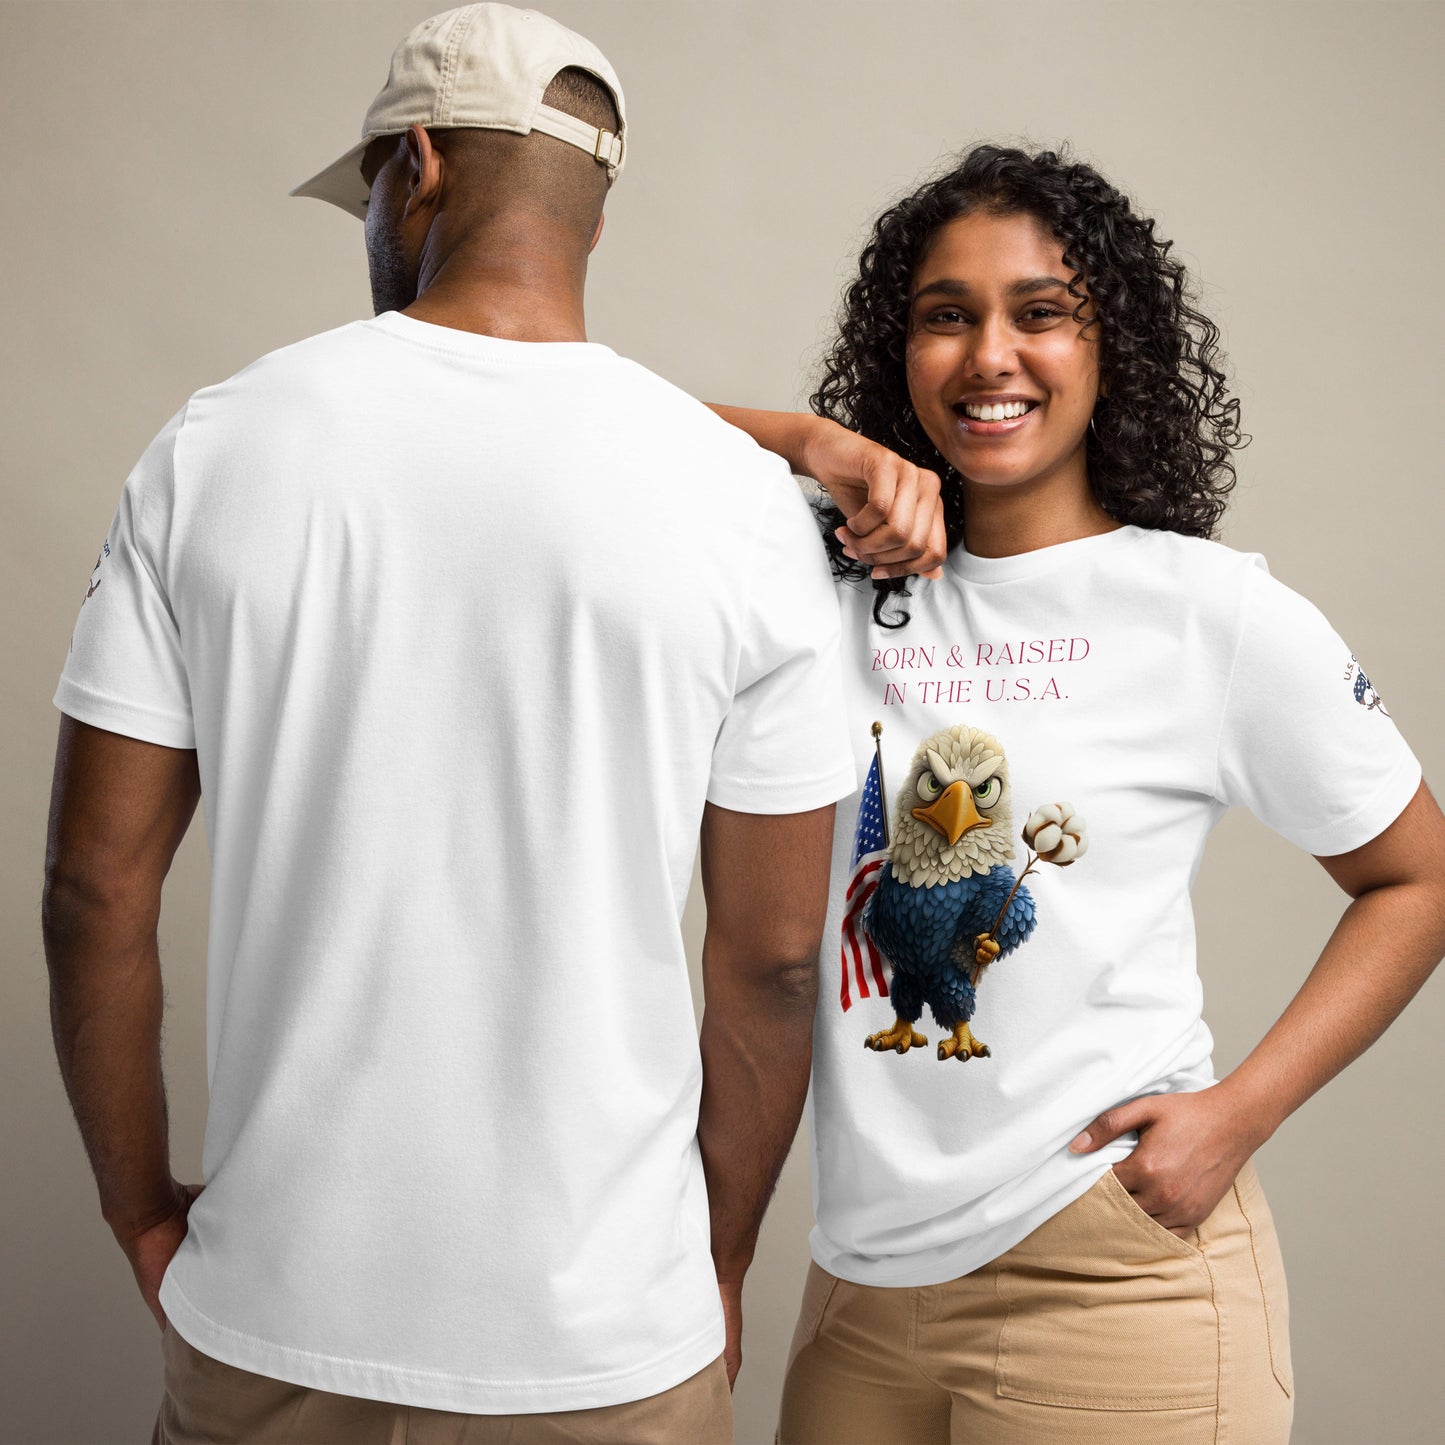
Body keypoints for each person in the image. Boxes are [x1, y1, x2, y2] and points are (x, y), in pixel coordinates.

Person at [41, 6, 856, 1442]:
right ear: (594, 212)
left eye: (364, 186)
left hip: (274, 1316)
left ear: (411, 169)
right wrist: (710, 1267)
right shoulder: (740, 506)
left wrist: (139, 1212)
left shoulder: (215, 447)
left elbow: (93, 887)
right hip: (606, 1342)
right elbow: (775, 961)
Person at [713, 143, 1445, 1443]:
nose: (990, 354)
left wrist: (1238, 1112)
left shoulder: (1203, 613)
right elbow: (586, 437)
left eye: (1039, 312)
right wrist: (812, 444)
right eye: (947, 316)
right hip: (859, 1284)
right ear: (900, 348)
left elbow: (1417, 876)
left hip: (1108, 1274)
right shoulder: (817, 586)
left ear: (1113, 348)